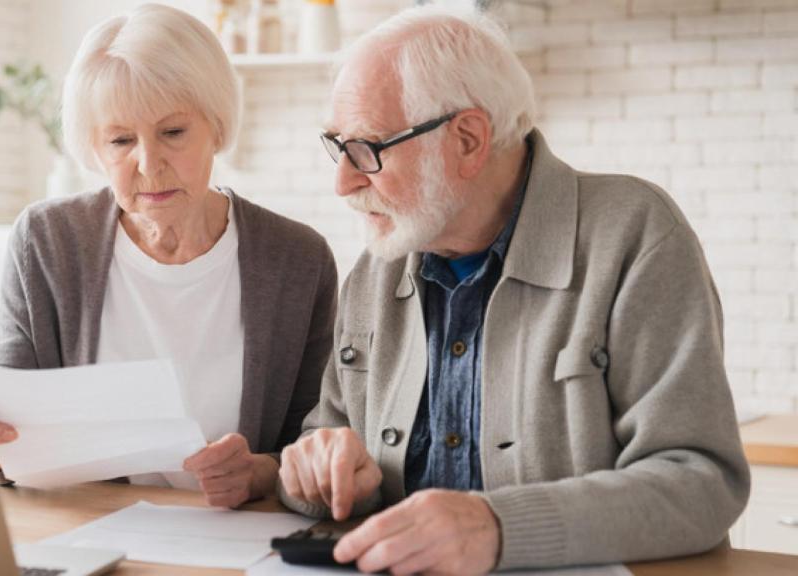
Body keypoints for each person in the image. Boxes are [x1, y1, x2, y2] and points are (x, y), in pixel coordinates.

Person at [278, 6, 750, 574]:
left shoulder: (634, 235)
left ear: (469, 139)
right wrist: (315, 471)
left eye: (368, 150)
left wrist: (498, 528)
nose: (343, 182)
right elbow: (326, 443)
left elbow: (701, 484)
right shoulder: (376, 268)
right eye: (338, 146)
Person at [0, 3, 337, 509]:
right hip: (86, 529)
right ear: (94, 149)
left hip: (235, 535)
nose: (149, 164)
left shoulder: (298, 260)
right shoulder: (46, 242)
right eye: (121, 140)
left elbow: (318, 441)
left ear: (215, 125)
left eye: (173, 132)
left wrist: (260, 472)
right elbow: (7, 440)